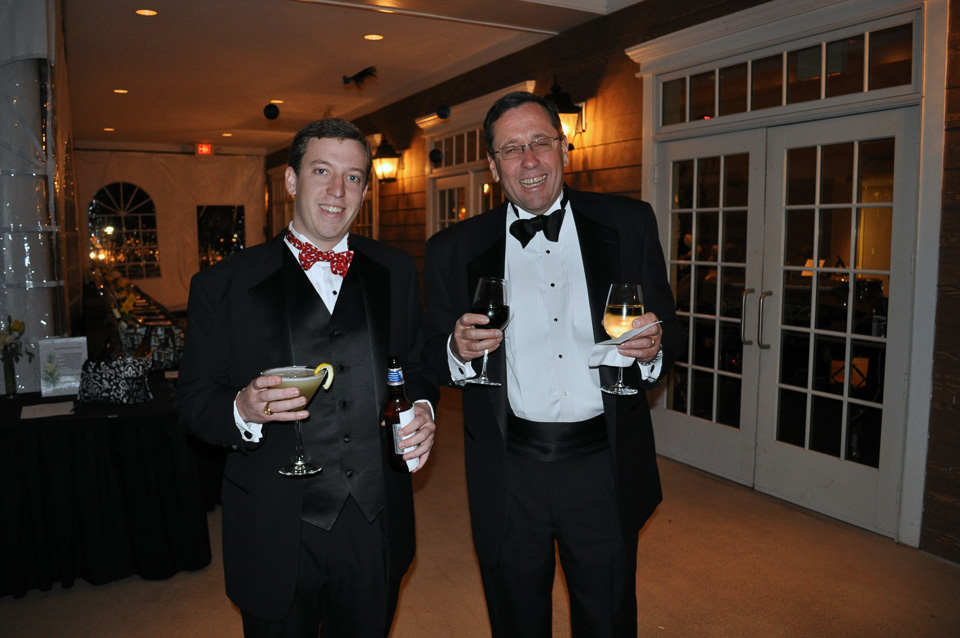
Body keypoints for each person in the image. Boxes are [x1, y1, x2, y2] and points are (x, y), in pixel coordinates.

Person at [422, 91, 683, 637]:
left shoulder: (629, 222)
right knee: (516, 619)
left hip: (603, 460)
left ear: (564, 148)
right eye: (511, 149)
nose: (530, 160)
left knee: (608, 617)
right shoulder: (453, 248)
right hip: (509, 468)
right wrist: (456, 350)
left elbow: (667, 325)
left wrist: (653, 348)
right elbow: (433, 356)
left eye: (540, 142)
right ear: (492, 164)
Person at [177, 118, 439, 638]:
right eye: (322, 171)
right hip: (274, 526)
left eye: (353, 177)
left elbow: (415, 366)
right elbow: (193, 403)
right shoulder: (222, 285)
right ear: (291, 181)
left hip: (373, 518)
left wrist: (424, 409)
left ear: (365, 189)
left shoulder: (396, 269)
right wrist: (242, 410)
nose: (338, 190)